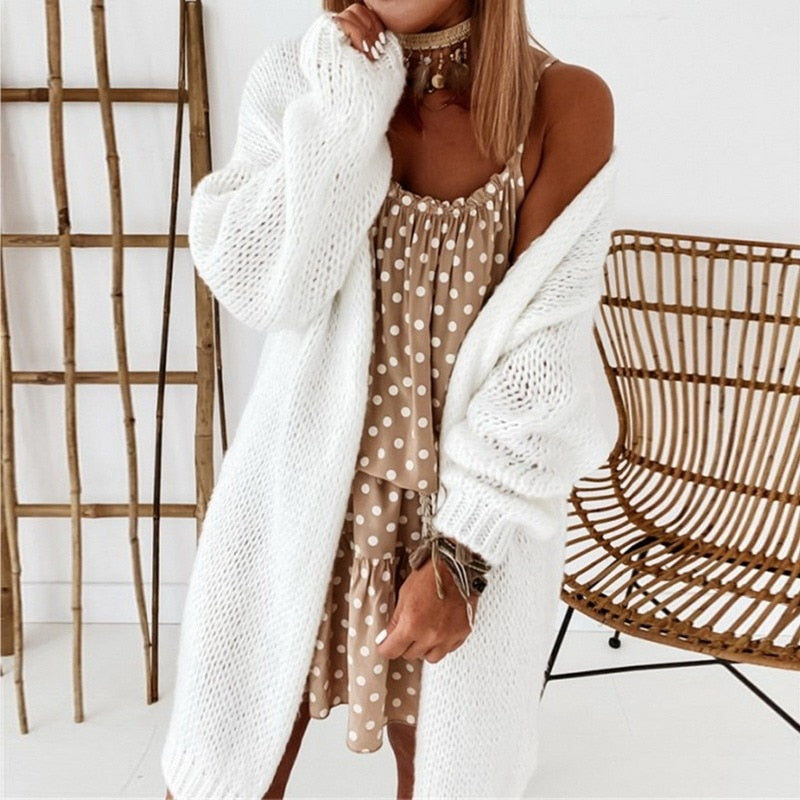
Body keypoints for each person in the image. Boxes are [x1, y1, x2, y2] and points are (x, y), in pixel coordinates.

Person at [163, 0, 614, 797]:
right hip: (302, 495)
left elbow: (547, 359)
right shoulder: (299, 80)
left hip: (471, 510)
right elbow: (264, 289)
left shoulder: (564, 104)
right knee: (221, 768)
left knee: (445, 770)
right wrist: (346, 112)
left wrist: (464, 558)